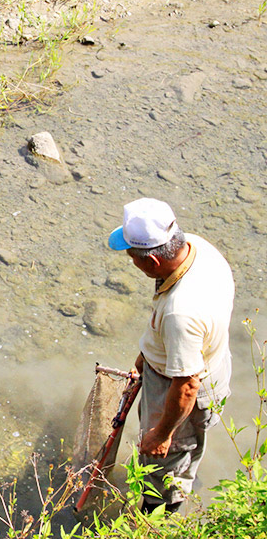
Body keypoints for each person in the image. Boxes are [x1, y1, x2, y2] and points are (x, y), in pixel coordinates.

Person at [108, 198, 234, 513]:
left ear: (151, 260)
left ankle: (158, 515)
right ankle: (185, 469)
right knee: (183, 454)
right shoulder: (196, 247)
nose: (131, 261)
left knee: (162, 465)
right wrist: (145, 356)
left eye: (132, 256)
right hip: (205, 361)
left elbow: (187, 385)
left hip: (180, 388)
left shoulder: (181, 313)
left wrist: (162, 433)